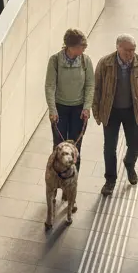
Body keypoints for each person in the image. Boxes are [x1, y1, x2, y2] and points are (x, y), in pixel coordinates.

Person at [93, 34, 138, 196]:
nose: (130, 54)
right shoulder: (105, 63)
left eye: (133, 50)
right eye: (127, 50)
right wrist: (96, 112)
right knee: (110, 147)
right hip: (110, 111)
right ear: (118, 47)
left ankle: (129, 163)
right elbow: (96, 88)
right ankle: (110, 179)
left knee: (135, 144)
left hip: (132, 111)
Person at [45, 29, 95, 169]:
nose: (84, 48)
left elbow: (90, 85)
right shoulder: (55, 61)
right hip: (60, 108)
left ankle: (73, 179)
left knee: (75, 147)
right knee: (59, 146)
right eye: (82, 46)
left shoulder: (86, 61)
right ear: (71, 46)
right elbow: (50, 86)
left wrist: (87, 107)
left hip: (78, 109)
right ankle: (58, 176)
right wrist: (52, 110)